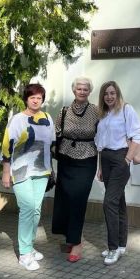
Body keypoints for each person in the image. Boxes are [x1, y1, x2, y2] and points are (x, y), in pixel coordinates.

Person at [1, 83, 55, 271]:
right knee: (27, 208)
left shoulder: (47, 118)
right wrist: (6, 172)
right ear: (26, 99)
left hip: (42, 170)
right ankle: (24, 254)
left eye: (39, 98)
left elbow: (51, 144)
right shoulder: (17, 120)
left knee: (36, 210)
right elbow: (6, 147)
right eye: (32, 97)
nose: (36, 101)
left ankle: (30, 247)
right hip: (21, 170)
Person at [94, 81, 140, 266]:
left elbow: (137, 135)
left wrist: (127, 159)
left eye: (112, 93)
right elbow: (100, 143)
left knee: (109, 202)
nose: (109, 97)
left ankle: (113, 248)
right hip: (106, 159)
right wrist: (100, 167)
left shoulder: (126, 110)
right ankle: (121, 245)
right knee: (118, 202)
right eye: (106, 94)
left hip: (120, 158)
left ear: (117, 94)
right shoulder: (103, 114)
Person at [51, 77, 99, 263]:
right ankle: (70, 238)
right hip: (66, 159)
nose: (82, 91)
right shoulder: (64, 111)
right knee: (65, 199)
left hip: (87, 159)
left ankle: (77, 242)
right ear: (74, 90)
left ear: (89, 91)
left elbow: (105, 132)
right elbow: (56, 133)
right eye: (79, 88)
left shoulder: (96, 111)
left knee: (78, 199)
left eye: (85, 89)